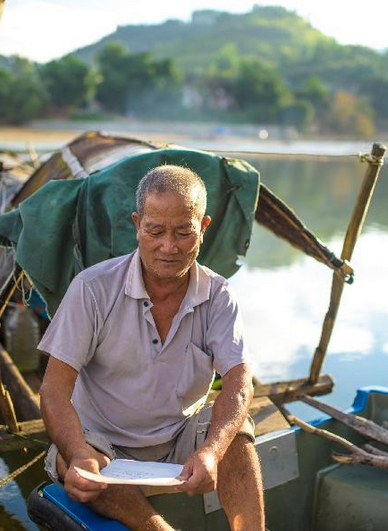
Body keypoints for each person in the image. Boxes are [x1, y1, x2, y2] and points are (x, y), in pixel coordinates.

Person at [38, 164, 265, 531]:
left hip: (179, 439)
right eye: (155, 230)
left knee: (236, 436)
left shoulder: (219, 295)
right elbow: (53, 389)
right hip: (103, 444)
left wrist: (211, 451)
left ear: (203, 228)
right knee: (78, 463)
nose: (168, 246)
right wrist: (78, 453)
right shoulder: (92, 289)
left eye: (183, 232)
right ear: (137, 224)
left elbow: (239, 383)